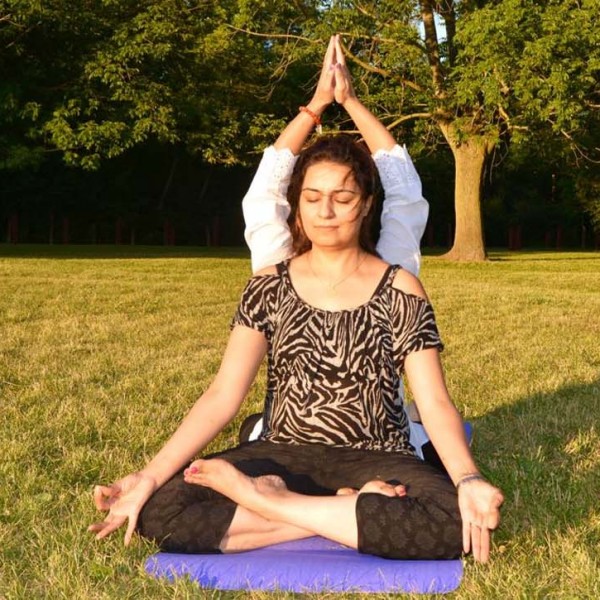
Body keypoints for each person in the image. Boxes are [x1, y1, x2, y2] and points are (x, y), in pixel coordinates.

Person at [89, 35, 503, 563]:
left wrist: (468, 478)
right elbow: (223, 396)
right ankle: (337, 510)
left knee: (451, 521)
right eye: (313, 198)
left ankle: (276, 505)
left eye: (343, 198)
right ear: (298, 206)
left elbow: (435, 401)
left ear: (366, 205)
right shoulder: (269, 282)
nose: (326, 211)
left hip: (378, 452)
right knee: (162, 509)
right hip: (281, 448)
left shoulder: (400, 285)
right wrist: (147, 476)